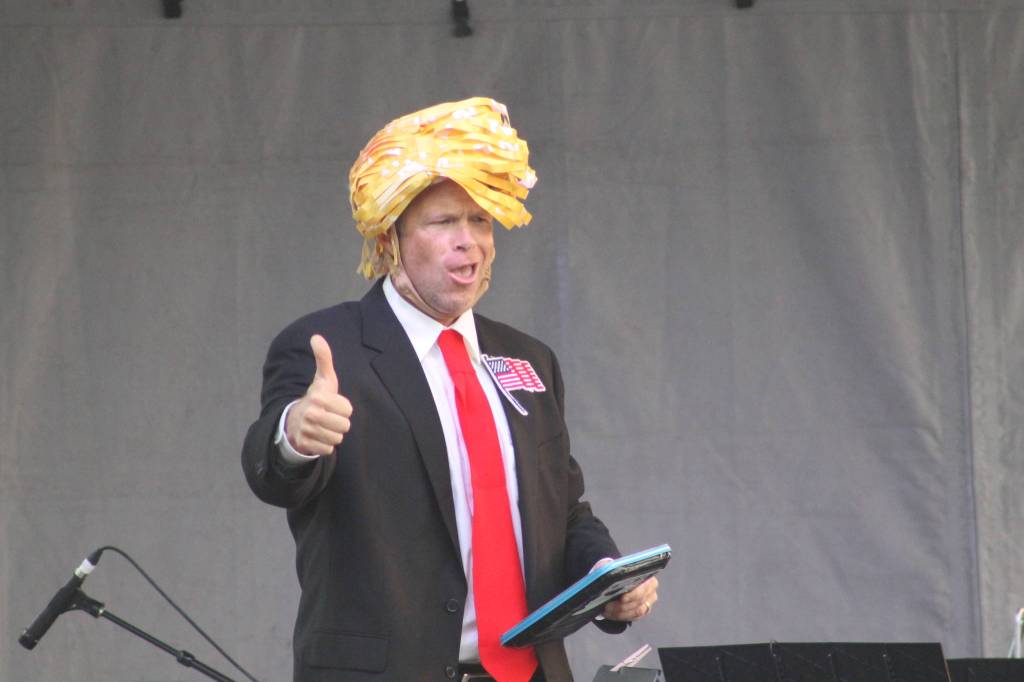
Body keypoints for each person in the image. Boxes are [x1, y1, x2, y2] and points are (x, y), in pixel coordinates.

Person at [242, 97, 658, 682]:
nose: (470, 241)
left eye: (481, 220)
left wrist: (607, 575)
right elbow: (272, 471)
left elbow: (561, 511)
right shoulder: (327, 347)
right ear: (391, 240)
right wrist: (295, 436)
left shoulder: (528, 358)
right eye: (443, 223)